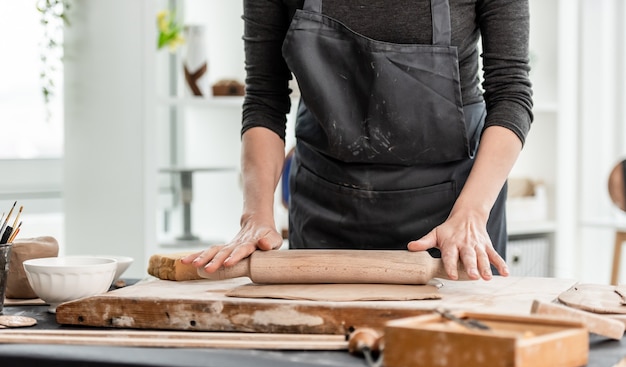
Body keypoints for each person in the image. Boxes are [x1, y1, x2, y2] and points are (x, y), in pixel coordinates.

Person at [182, 0, 533, 281]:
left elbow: (511, 94)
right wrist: (256, 215)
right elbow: (264, 99)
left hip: (453, 213)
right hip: (327, 207)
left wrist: (471, 213)